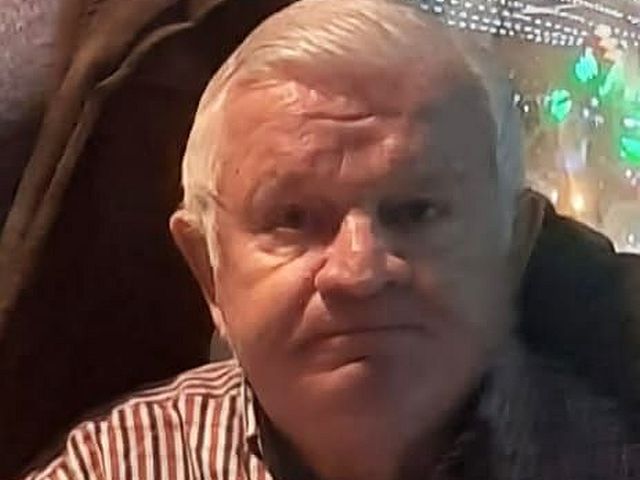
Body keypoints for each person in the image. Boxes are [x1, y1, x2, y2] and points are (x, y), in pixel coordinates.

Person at [21, 0, 637, 479]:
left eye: (416, 212)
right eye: (293, 218)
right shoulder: (113, 466)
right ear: (208, 267)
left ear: (514, 244)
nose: (359, 272)